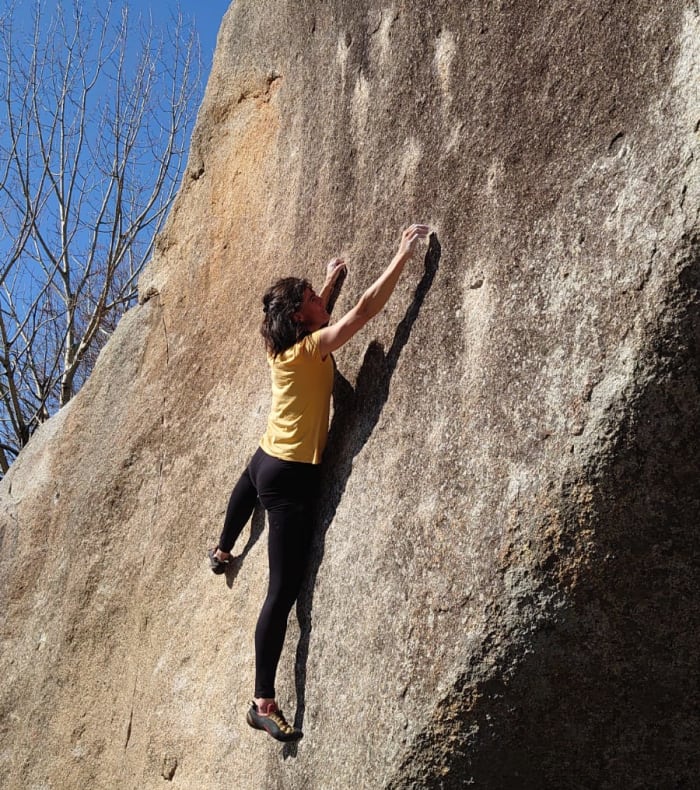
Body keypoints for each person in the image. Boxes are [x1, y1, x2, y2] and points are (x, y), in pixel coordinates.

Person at [208, 223, 431, 742]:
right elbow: (363, 315)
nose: (319, 299)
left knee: (247, 481)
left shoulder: (283, 349)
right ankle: (262, 701)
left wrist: (328, 283)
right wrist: (401, 256)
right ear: (297, 316)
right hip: (289, 483)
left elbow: (321, 317)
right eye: (311, 298)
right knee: (282, 593)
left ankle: (221, 550)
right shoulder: (310, 350)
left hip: (266, 461)